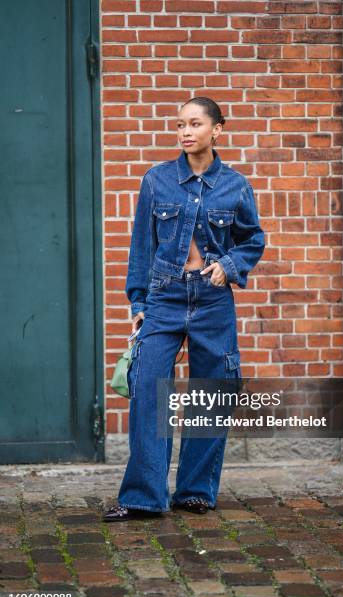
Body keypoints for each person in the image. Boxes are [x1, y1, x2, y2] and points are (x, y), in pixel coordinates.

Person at [103, 97, 265, 522]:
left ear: (217, 130)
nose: (186, 132)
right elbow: (142, 246)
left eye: (195, 124)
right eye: (180, 125)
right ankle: (143, 497)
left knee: (212, 393)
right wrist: (138, 301)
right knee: (146, 388)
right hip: (164, 297)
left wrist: (228, 266)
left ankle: (194, 490)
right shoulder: (157, 181)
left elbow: (254, 239)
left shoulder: (235, 185)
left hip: (212, 300)